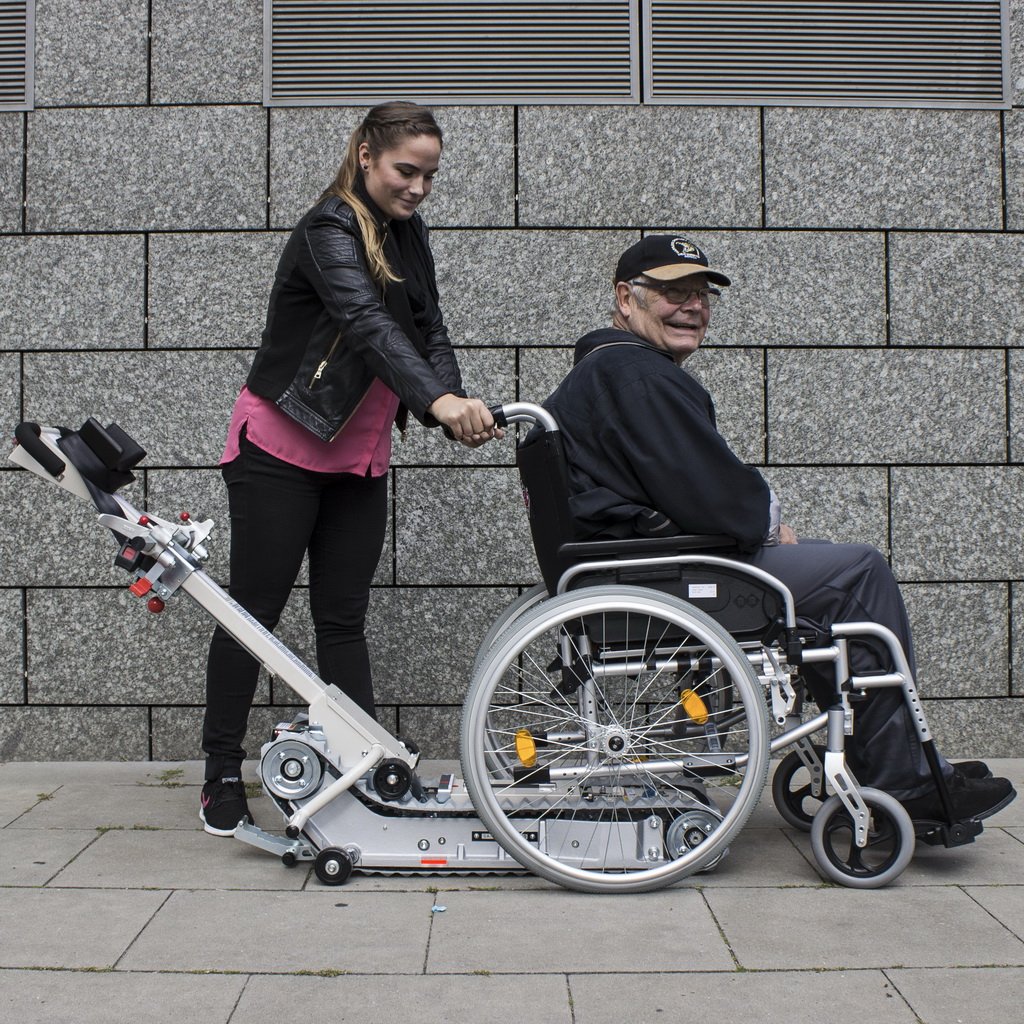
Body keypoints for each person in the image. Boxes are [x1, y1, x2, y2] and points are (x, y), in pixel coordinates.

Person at [541, 233, 1016, 823]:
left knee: (826, 575)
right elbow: (705, 487)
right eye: (672, 293)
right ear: (625, 298)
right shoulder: (635, 373)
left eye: (700, 294)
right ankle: (903, 779)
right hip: (664, 574)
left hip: (639, 562)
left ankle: (883, 760)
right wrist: (763, 524)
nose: (692, 306)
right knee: (858, 573)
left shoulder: (610, 369)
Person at [200, 101, 501, 836]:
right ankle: (217, 776)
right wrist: (435, 402)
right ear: (366, 154)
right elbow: (366, 325)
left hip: (359, 456)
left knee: (344, 620)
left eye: (430, 175)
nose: (419, 188)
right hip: (282, 448)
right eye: (407, 171)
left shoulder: (408, 233)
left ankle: (365, 767)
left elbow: (428, 327)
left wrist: (453, 394)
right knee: (253, 618)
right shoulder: (327, 229)